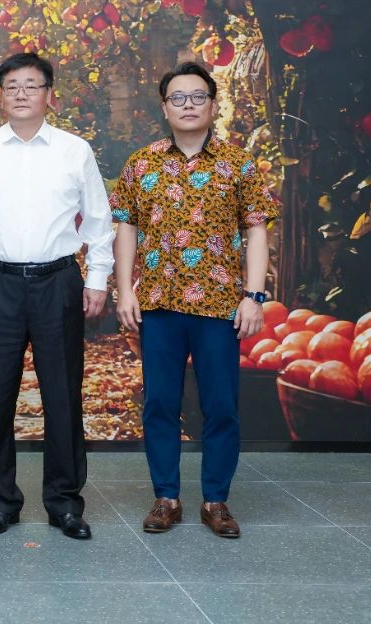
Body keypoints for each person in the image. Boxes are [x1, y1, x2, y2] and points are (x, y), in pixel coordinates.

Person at [0, 51, 114, 541]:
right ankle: (1, 503)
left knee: (62, 394)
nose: (21, 93)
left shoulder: (74, 151)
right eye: (12, 86)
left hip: (57, 281)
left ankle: (64, 503)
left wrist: (98, 278)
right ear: (0, 95)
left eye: (31, 85)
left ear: (48, 94)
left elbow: (98, 219)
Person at [111, 61, 278, 539]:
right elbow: (126, 229)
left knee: (221, 405)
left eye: (198, 96)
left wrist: (254, 296)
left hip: (220, 307)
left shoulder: (238, 164)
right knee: (160, 403)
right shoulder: (142, 164)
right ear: (165, 107)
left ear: (213, 104)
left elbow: (256, 231)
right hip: (159, 304)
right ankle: (166, 497)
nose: (188, 105)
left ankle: (215, 500)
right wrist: (124, 289)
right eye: (178, 98)